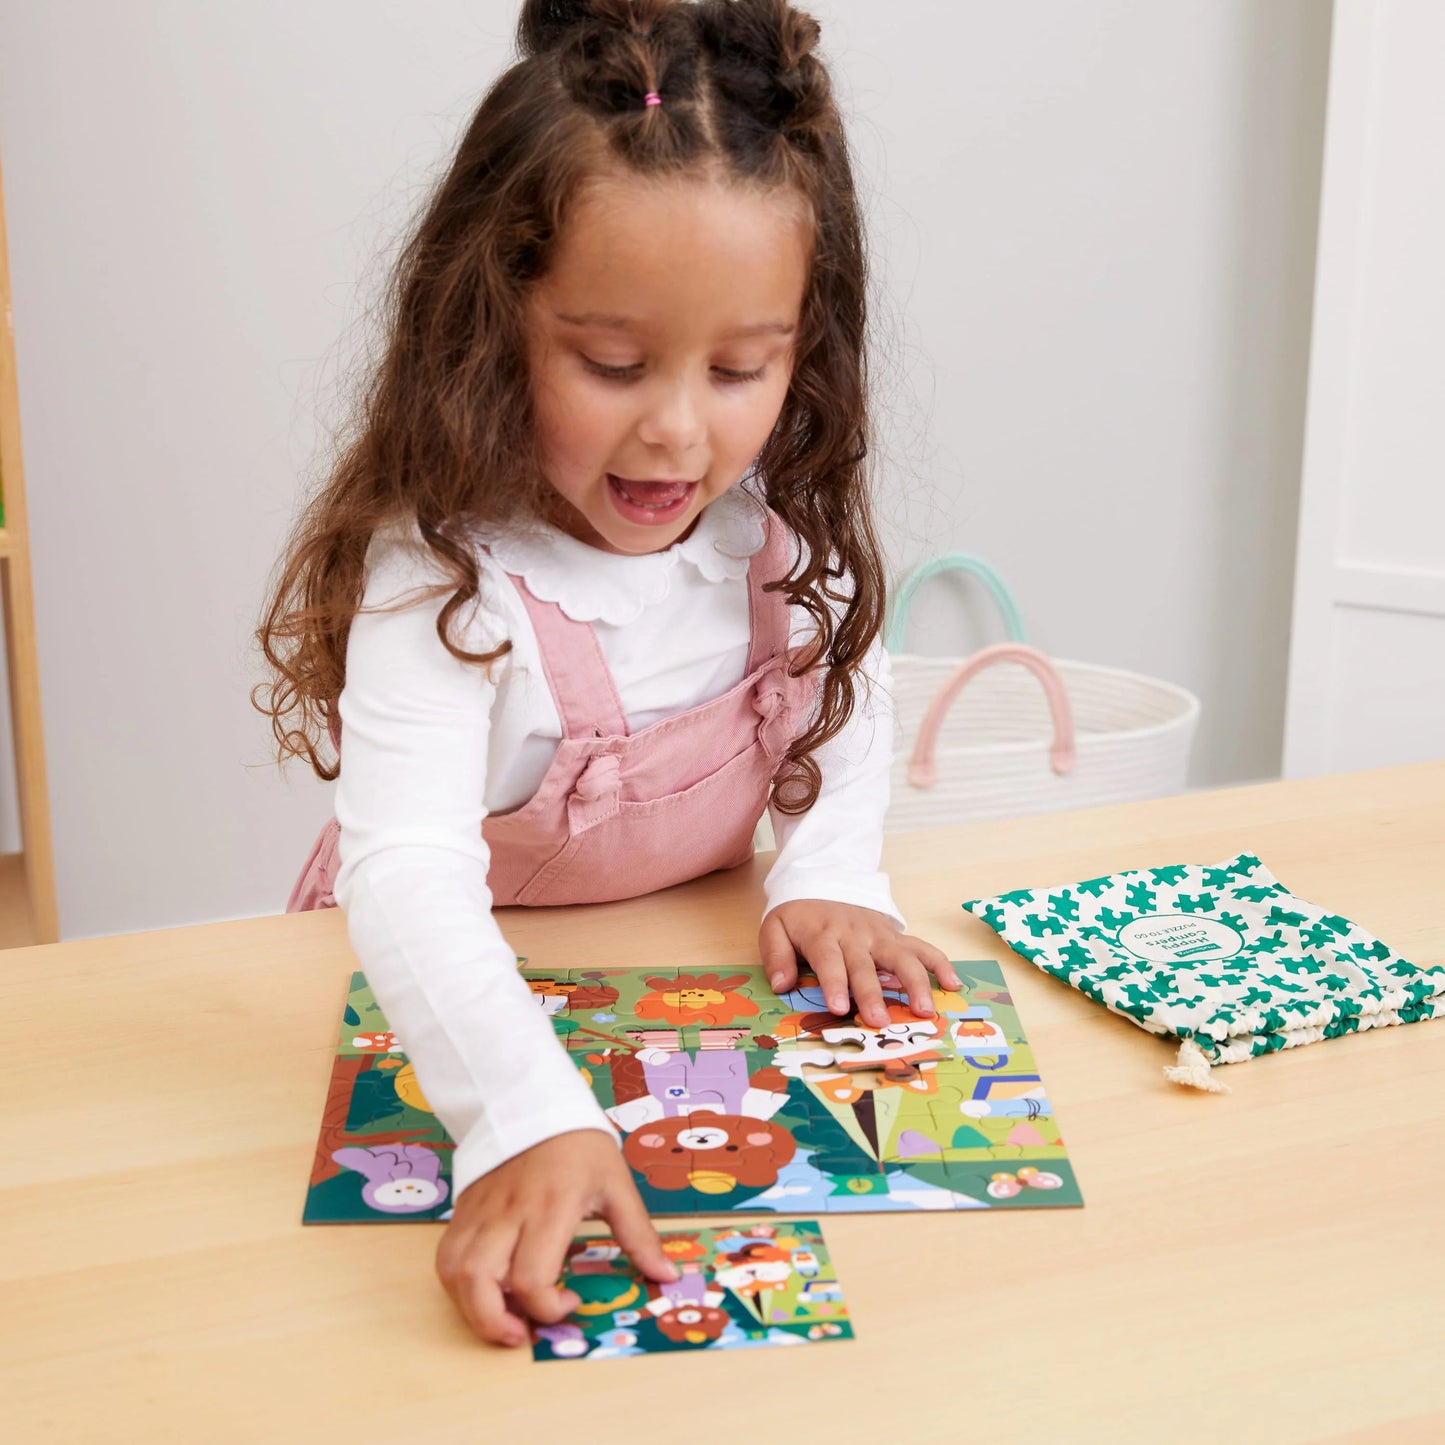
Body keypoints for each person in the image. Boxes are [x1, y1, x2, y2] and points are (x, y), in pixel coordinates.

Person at [256, 0, 955, 1347]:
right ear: (492, 321)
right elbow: (407, 874)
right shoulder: (441, 574)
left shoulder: (773, 526)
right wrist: (520, 1115)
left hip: (676, 965)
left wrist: (830, 873)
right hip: (438, 994)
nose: (679, 430)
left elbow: (845, 688)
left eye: (741, 367)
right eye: (614, 363)